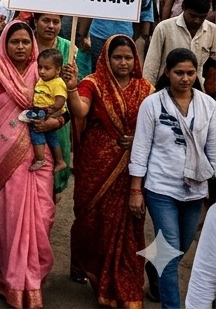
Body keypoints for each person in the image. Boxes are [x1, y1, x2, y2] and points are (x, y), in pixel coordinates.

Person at [0, 17, 60, 309]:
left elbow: (62, 111)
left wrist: (55, 119)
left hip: (37, 156)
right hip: (0, 154)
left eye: (25, 42)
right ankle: (5, 278)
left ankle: (30, 279)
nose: (20, 46)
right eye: (14, 41)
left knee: (40, 217)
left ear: (33, 45)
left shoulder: (44, 72)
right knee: (6, 217)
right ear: (4, 45)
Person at [62, 35, 151, 309]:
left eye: (128, 57)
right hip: (95, 164)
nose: (123, 62)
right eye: (117, 57)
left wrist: (137, 138)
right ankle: (88, 265)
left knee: (127, 226)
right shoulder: (93, 83)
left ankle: (122, 283)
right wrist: (72, 88)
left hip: (131, 167)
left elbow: (154, 125)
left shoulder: (146, 88)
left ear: (135, 59)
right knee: (91, 221)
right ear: (106, 58)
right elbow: (80, 110)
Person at [128, 47, 216, 309]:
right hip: (160, 188)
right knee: (168, 251)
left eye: (190, 73)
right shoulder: (152, 104)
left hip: (196, 189)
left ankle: (154, 268)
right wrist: (136, 189)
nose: (185, 78)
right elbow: (141, 147)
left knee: (181, 247)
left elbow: (213, 150)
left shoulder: (209, 105)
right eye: (179, 73)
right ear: (167, 72)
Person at [27, 49, 68, 172]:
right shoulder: (43, 80)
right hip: (42, 111)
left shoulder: (57, 83)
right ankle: (60, 161)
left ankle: (40, 159)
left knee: (36, 131)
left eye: (47, 68)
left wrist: (52, 110)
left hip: (48, 113)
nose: (42, 71)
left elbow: (61, 99)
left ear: (58, 70)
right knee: (52, 139)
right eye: (40, 67)